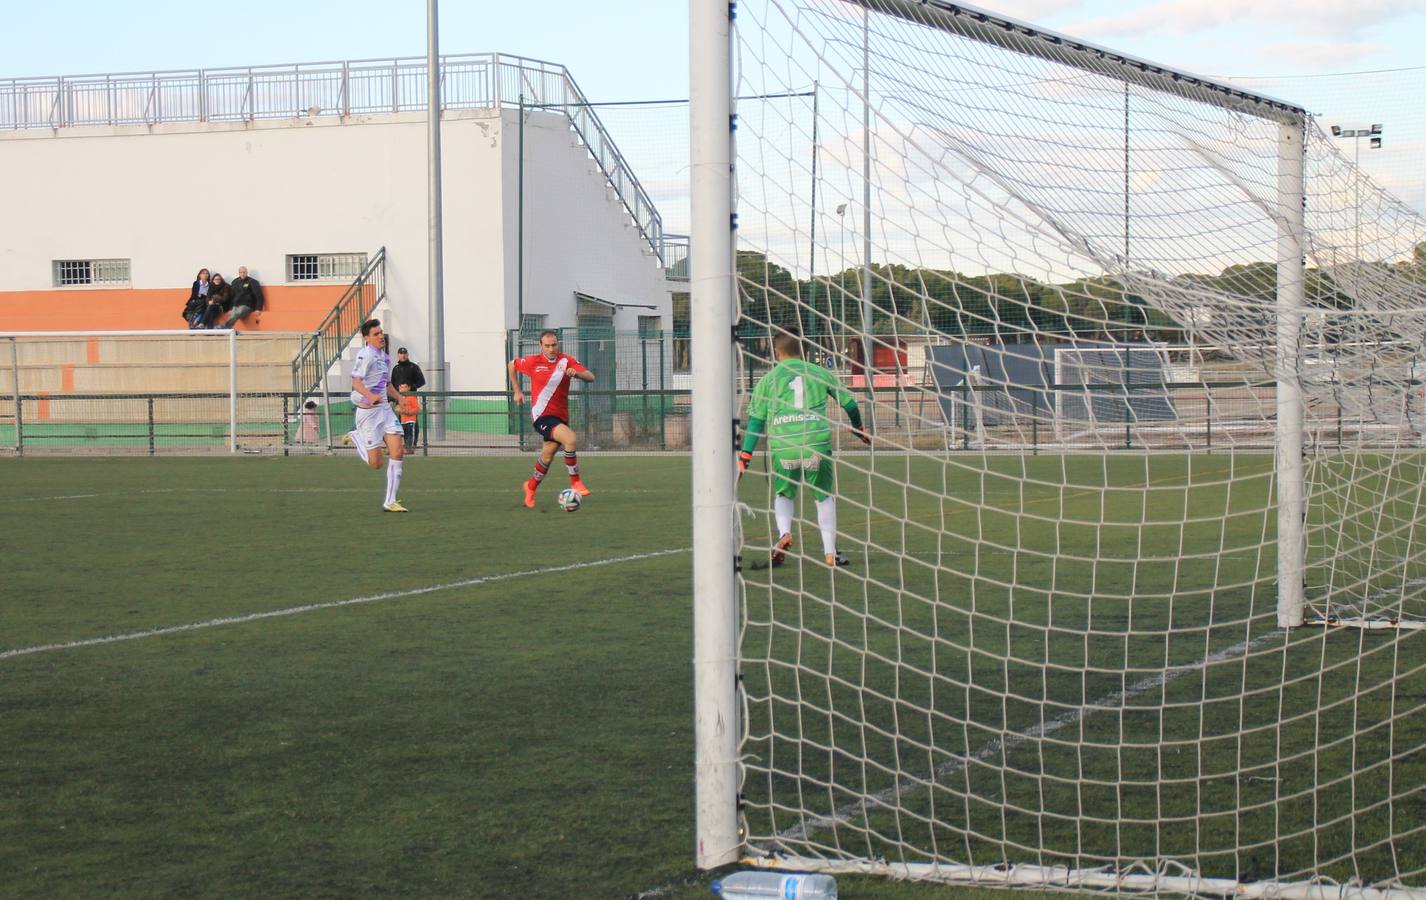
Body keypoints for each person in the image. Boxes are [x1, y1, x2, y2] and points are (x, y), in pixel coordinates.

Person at [739, 327, 870, 568]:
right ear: (805, 351)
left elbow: (756, 421)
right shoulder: (820, 373)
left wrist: (745, 455)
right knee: (823, 496)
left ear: (777, 353)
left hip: (783, 446)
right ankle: (830, 553)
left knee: (783, 493)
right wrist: (859, 428)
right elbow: (850, 404)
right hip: (815, 443)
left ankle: (784, 533)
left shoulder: (767, 380)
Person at [508, 329, 595, 508]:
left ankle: (530, 486)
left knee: (547, 457)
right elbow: (511, 365)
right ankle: (576, 482)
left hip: (561, 416)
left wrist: (576, 373)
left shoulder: (566, 360)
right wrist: (517, 390)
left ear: (558, 344)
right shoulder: (533, 361)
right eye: (547, 346)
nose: (551, 349)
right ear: (541, 346)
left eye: (554, 345)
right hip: (542, 416)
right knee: (570, 438)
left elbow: (590, 377)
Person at [340, 318, 408, 512]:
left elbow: (387, 385)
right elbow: (356, 382)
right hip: (368, 414)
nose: (381, 337)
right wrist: (370, 396)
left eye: (381, 333)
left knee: (398, 452)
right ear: (367, 338)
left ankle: (390, 500)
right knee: (376, 463)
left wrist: (399, 398)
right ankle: (355, 436)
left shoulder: (385, 357)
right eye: (376, 334)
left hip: (385, 410)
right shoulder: (365, 355)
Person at [396, 383, 420, 450]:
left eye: (404, 387)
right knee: (405, 435)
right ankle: (406, 447)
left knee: (410, 434)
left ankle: (410, 448)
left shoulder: (412, 397)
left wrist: (408, 412)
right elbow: (397, 407)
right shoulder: (400, 398)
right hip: (403, 421)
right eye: (401, 388)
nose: (402, 389)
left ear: (409, 388)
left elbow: (417, 408)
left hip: (410, 420)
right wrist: (399, 410)